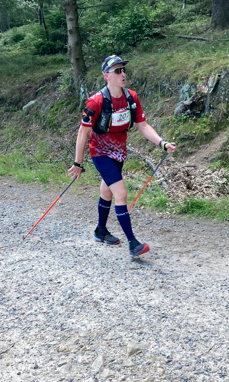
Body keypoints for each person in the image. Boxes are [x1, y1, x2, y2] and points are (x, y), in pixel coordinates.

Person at [68, 55, 176, 257]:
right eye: (117, 71)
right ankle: (133, 243)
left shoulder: (131, 98)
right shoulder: (96, 101)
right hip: (100, 152)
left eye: (123, 70)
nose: (123, 74)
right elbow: (83, 132)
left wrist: (162, 143)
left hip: (119, 152)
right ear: (107, 76)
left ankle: (100, 231)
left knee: (107, 190)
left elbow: (143, 126)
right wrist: (78, 163)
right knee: (121, 194)